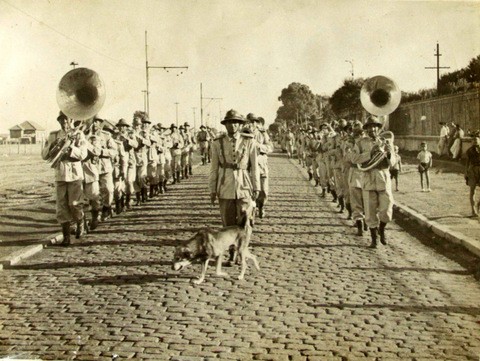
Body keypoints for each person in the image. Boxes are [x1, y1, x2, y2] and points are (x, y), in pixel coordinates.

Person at [348, 116, 396, 248]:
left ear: (379, 128)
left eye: (375, 126)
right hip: (368, 178)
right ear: (366, 129)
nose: (372, 129)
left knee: (387, 209)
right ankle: (374, 238)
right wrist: (370, 154)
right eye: (369, 127)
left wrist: (388, 153)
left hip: (383, 178)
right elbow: (353, 158)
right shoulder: (360, 143)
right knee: (369, 211)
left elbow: (392, 163)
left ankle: (382, 228)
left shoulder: (385, 141)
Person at [41, 112, 88, 246]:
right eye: (62, 120)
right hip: (60, 173)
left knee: (74, 204)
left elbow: (83, 154)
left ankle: (80, 221)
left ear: (71, 120)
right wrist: (52, 145)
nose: (64, 123)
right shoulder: (54, 135)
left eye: (66, 120)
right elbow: (44, 155)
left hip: (74, 174)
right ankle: (66, 236)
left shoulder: (79, 135)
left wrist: (71, 147)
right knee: (61, 207)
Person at [209, 109, 260, 229]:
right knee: (228, 224)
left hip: (244, 185)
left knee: (246, 222)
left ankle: (242, 247)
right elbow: (214, 168)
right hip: (225, 186)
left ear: (240, 124)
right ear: (225, 125)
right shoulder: (217, 143)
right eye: (229, 122)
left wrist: (257, 187)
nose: (232, 125)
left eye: (236, 122)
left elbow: (255, 167)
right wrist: (212, 189)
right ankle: (230, 247)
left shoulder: (248, 141)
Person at [249, 115, 273, 218]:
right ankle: (251, 211)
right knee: (250, 190)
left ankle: (261, 206)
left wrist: (259, 147)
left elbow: (270, 148)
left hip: (261, 164)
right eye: (249, 121)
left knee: (264, 190)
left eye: (253, 122)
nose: (251, 124)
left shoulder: (262, 134)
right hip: (248, 167)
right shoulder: (243, 134)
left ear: (256, 123)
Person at [465, 131, 480, 217]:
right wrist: (466, 172)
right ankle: (473, 210)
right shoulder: (469, 151)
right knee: (472, 190)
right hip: (472, 170)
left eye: (477, 139)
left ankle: (478, 204)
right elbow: (467, 163)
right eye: (473, 139)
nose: (475, 141)